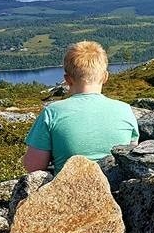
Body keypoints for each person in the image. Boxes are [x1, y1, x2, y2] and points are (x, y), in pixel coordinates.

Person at [23, 41, 138, 174]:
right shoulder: (125, 110)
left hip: (69, 191)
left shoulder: (52, 112)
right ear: (105, 77)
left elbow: (33, 166)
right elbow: (131, 156)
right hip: (117, 191)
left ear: (67, 80)